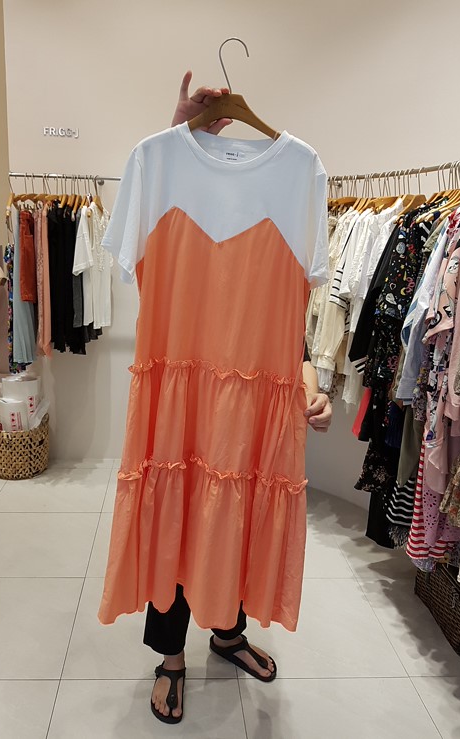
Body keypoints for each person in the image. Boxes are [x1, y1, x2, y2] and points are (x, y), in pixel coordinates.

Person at [146, 71, 333, 722]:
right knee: (179, 516)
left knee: (239, 515)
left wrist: (309, 386)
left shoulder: (299, 174)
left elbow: (290, 317)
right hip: (187, 398)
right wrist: (178, 131)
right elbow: (155, 228)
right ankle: (171, 658)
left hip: (251, 399)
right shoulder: (161, 165)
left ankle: (227, 633)